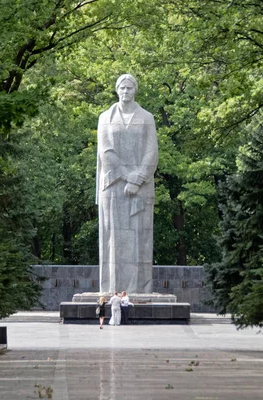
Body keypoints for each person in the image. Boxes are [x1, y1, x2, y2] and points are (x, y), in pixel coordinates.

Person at [96, 74, 158, 294]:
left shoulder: (147, 117)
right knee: (113, 238)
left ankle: (140, 290)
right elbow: (105, 151)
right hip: (113, 185)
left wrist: (138, 179)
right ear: (116, 90)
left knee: (140, 238)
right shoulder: (105, 117)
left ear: (135, 90)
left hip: (141, 187)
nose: (125, 92)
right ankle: (112, 290)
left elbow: (152, 152)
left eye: (129, 88)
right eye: (122, 88)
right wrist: (127, 176)